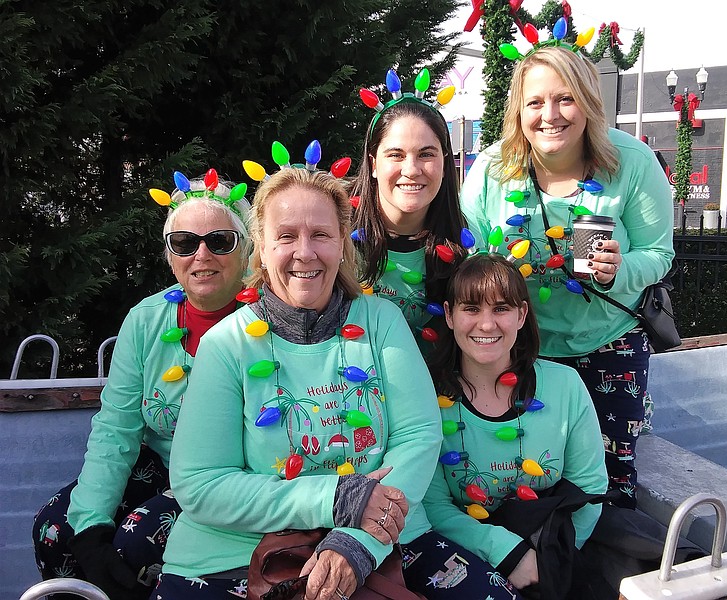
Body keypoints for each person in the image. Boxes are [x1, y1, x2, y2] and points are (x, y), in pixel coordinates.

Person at [153, 165, 444, 599]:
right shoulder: (227, 344)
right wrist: (336, 497)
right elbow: (201, 483)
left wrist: (355, 543)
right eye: (286, 236)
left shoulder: (381, 321)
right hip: (234, 551)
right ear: (262, 250)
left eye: (321, 235)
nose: (305, 252)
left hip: (383, 537)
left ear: (343, 244)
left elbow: (418, 435)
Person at [460, 46, 674, 509]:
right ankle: (533, 562)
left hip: (607, 342)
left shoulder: (631, 162)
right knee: (522, 471)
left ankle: (606, 569)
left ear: (588, 102)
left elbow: (660, 253)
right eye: (535, 102)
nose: (549, 115)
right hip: (520, 348)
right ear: (518, 110)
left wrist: (621, 270)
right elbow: (465, 251)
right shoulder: (493, 170)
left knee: (612, 481)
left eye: (565, 99)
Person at [32, 170, 252, 599]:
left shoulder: (266, 320)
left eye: (220, 241)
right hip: (159, 464)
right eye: (185, 243)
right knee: (57, 530)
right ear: (170, 256)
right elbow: (117, 426)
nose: (201, 255)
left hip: (229, 476)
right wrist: (91, 522)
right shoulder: (147, 319)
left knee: (134, 545)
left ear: (245, 249)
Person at [404, 253, 607, 598]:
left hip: (555, 560)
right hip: (471, 562)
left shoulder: (566, 385)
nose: (486, 324)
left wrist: (551, 560)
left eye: (500, 309)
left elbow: (590, 487)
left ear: (521, 315)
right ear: (450, 316)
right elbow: (434, 506)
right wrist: (506, 554)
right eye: (471, 309)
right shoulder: (428, 398)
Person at [351, 69, 466, 346]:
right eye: (396, 155)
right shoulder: (334, 231)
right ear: (374, 163)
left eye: (426, 154)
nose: (411, 170)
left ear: (444, 160)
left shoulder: (466, 241)